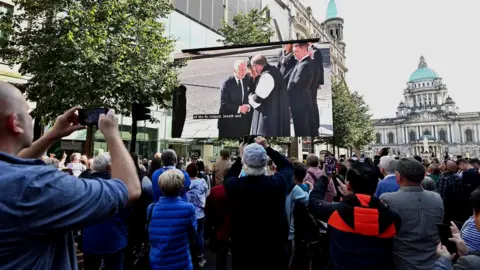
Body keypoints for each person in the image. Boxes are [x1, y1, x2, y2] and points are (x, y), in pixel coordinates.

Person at [0, 82, 141, 269]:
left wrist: (52, 135)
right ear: (15, 123)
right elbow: (129, 188)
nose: (31, 118)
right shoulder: (36, 185)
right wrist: (112, 134)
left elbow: (12, 163)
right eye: (28, 113)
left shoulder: (11, 177)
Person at [308, 161, 402, 269]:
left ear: (348, 185)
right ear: (376, 186)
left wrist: (324, 178)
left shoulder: (335, 212)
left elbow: (314, 203)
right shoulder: (392, 218)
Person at [224, 137, 294, 270]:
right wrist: (267, 148)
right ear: (266, 161)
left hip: (244, 253)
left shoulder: (234, 186)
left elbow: (229, 176)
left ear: (245, 162)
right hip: (274, 252)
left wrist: (240, 157)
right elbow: (287, 166)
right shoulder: (278, 184)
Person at [380, 158, 444, 270]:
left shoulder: (387, 199)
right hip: (435, 260)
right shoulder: (436, 198)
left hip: (403, 261)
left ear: (398, 176)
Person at [82, 153, 130, 270]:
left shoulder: (83, 185)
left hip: (90, 238)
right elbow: (127, 212)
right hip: (114, 238)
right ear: (109, 168)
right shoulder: (118, 186)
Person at [148, 169, 197, 270]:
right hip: (181, 261)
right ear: (181, 186)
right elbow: (193, 234)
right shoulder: (188, 208)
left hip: (158, 261)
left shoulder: (151, 208)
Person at [434, 187, 480, 269]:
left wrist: (444, 260)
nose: (474, 217)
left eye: (476, 212)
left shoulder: (471, 263)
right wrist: (466, 251)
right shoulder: (470, 221)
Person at [248, 55, 291, 137]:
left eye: (254, 67)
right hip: (277, 112)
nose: (254, 70)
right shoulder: (275, 70)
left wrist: (250, 97)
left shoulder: (267, 76)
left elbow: (257, 99)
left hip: (269, 117)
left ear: (257, 66)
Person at [205, 165, 232, 270]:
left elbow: (208, 209)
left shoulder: (216, 191)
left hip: (220, 229)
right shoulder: (241, 191)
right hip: (236, 230)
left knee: (221, 257)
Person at [218, 60, 252, 138]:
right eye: (241, 70)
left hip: (244, 122)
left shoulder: (247, 79)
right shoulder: (226, 84)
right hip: (229, 123)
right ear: (234, 70)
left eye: (245, 69)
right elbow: (224, 104)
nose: (244, 72)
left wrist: (248, 106)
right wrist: (240, 109)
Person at [287, 42, 315, 136]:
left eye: (296, 51)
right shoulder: (301, 62)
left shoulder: (305, 64)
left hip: (300, 103)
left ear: (304, 50)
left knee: (301, 130)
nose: (294, 54)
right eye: (293, 51)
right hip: (299, 102)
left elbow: (296, 84)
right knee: (299, 129)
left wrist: (285, 98)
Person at [186, 163, 209, 267]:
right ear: (197, 171)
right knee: (199, 235)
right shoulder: (202, 182)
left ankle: (188, 256)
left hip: (187, 213)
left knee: (187, 235)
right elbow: (206, 192)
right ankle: (200, 257)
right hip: (199, 213)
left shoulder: (185, 183)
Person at [308, 42, 324, 136]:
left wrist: (318, 82)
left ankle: (315, 127)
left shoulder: (316, 52)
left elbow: (319, 68)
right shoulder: (305, 51)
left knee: (312, 104)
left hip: (312, 83)